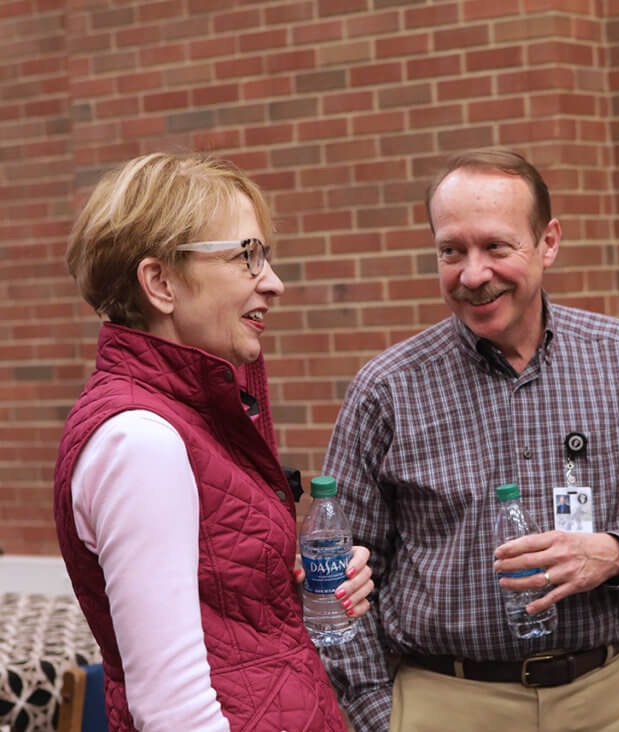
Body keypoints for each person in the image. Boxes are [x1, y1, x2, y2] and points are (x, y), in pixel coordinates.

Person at [322, 147, 619, 731]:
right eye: (451, 251)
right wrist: (379, 717)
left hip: (609, 698)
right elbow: (340, 577)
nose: (473, 274)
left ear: (548, 243)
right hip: (448, 702)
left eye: (496, 247)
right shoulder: (387, 389)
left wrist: (613, 553)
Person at [52, 152, 374, 731]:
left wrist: (288, 595)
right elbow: (172, 711)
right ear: (160, 283)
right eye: (247, 256)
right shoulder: (141, 440)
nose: (272, 283)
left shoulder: (189, 418)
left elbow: (220, 628)